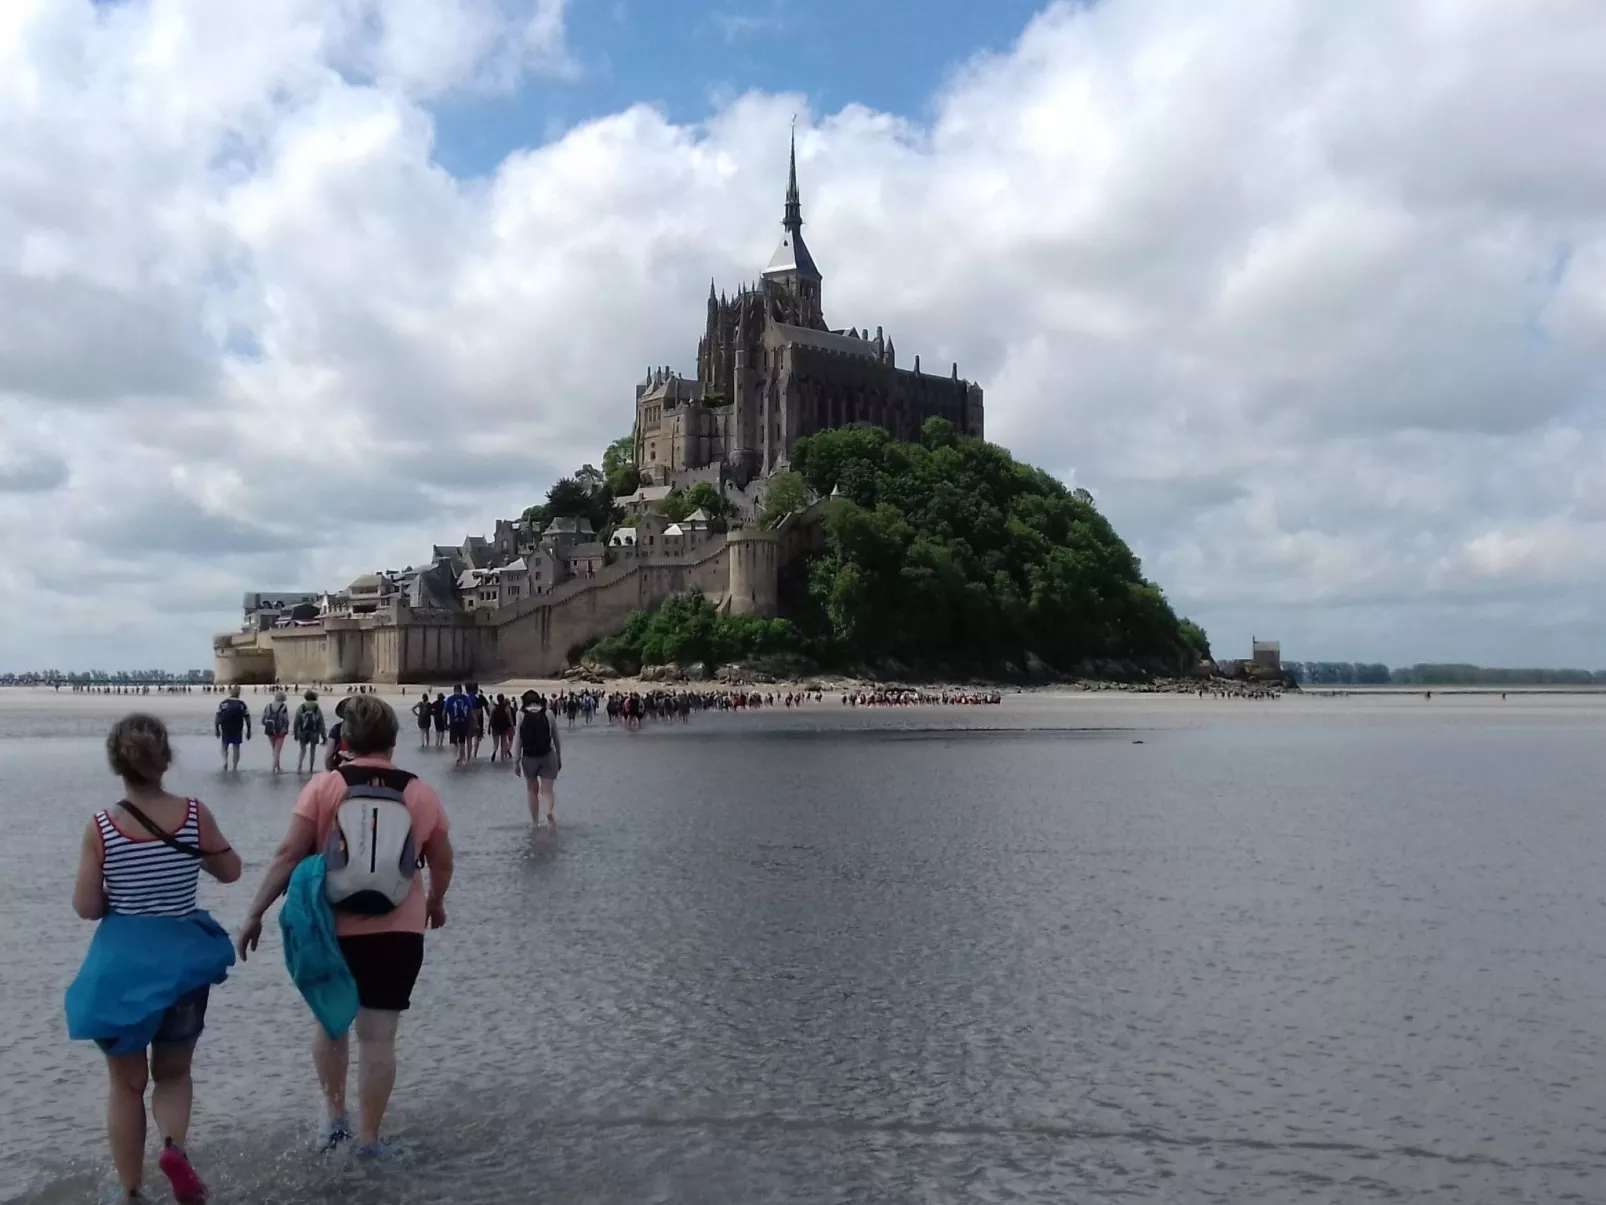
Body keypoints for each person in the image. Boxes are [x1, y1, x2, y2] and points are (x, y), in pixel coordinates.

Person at [236, 696, 453, 1156]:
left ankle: (335, 1120)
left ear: (345, 740)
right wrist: (434, 900)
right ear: (394, 742)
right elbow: (442, 860)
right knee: (379, 1037)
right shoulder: (420, 792)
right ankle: (371, 1140)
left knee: (330, 1023)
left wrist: (255, 913)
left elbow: (289, 856)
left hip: (331, 930)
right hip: (399, 932)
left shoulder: (324, 786)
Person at [69, 715, 243, 1204]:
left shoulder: (103, 826)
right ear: (166, 760)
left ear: (116, 763)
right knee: (173, 1072)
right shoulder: (193, 814)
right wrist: (196, 856)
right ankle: (173, 1148)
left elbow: (85, 907)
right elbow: (230, 871)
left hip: (123, 970)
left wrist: (118, 896)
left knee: (126, 1085)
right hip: (183, 965)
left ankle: (129, 1190)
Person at [514, 691, 561, 827]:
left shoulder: (521, 714)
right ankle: (549, 812)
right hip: (547, 755)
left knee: (532, 789)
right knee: (547, 789)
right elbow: (556, 737)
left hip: (529, 757)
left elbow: (518, 739)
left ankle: (535, 822)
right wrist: (558, 756)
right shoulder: (548, 713)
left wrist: (516, 761)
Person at [214, 685, 251, 772]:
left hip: (225, 727)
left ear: (230, 692)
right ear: (239, 693)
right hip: (237, 728)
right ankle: (234, 767)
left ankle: (225, 761)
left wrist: (216, 729)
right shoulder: (242, 704)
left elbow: (218, 717)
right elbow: (247, 718)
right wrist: (248, 731)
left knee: (224, 746)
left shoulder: (223, 703)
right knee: (236, 748)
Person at [294, 691, 326, 774]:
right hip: (314, 732)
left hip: (302, 731)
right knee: (312, 750)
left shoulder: (301, 707)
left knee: (302, 750)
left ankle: (299, 767)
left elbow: (296, 721)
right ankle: (311, 769)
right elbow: (321, 723)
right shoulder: (317, 708)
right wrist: (324, 736)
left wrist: (295, 733)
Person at [261, 690, 291, 774]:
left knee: (274, 750)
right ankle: (274, 770)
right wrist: (286, 729)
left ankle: (278, 767)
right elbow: (286, 720)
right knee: (277, 751)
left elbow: (263, 720)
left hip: (270, 731)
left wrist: (268, 725)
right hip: (280, 731)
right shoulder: (283, 707)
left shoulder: (268, 706)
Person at [444, 684, 472, 766]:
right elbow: (471, 712)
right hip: (464, 723)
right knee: (462, 742)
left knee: (453, 742)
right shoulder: (465, 698)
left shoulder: (450, 699)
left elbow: (444, 713)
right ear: (461, 690)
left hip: (453, 723)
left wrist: (445, 724)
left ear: (454, 690)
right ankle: (461, 759)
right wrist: (475, 723)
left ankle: (454, 758)